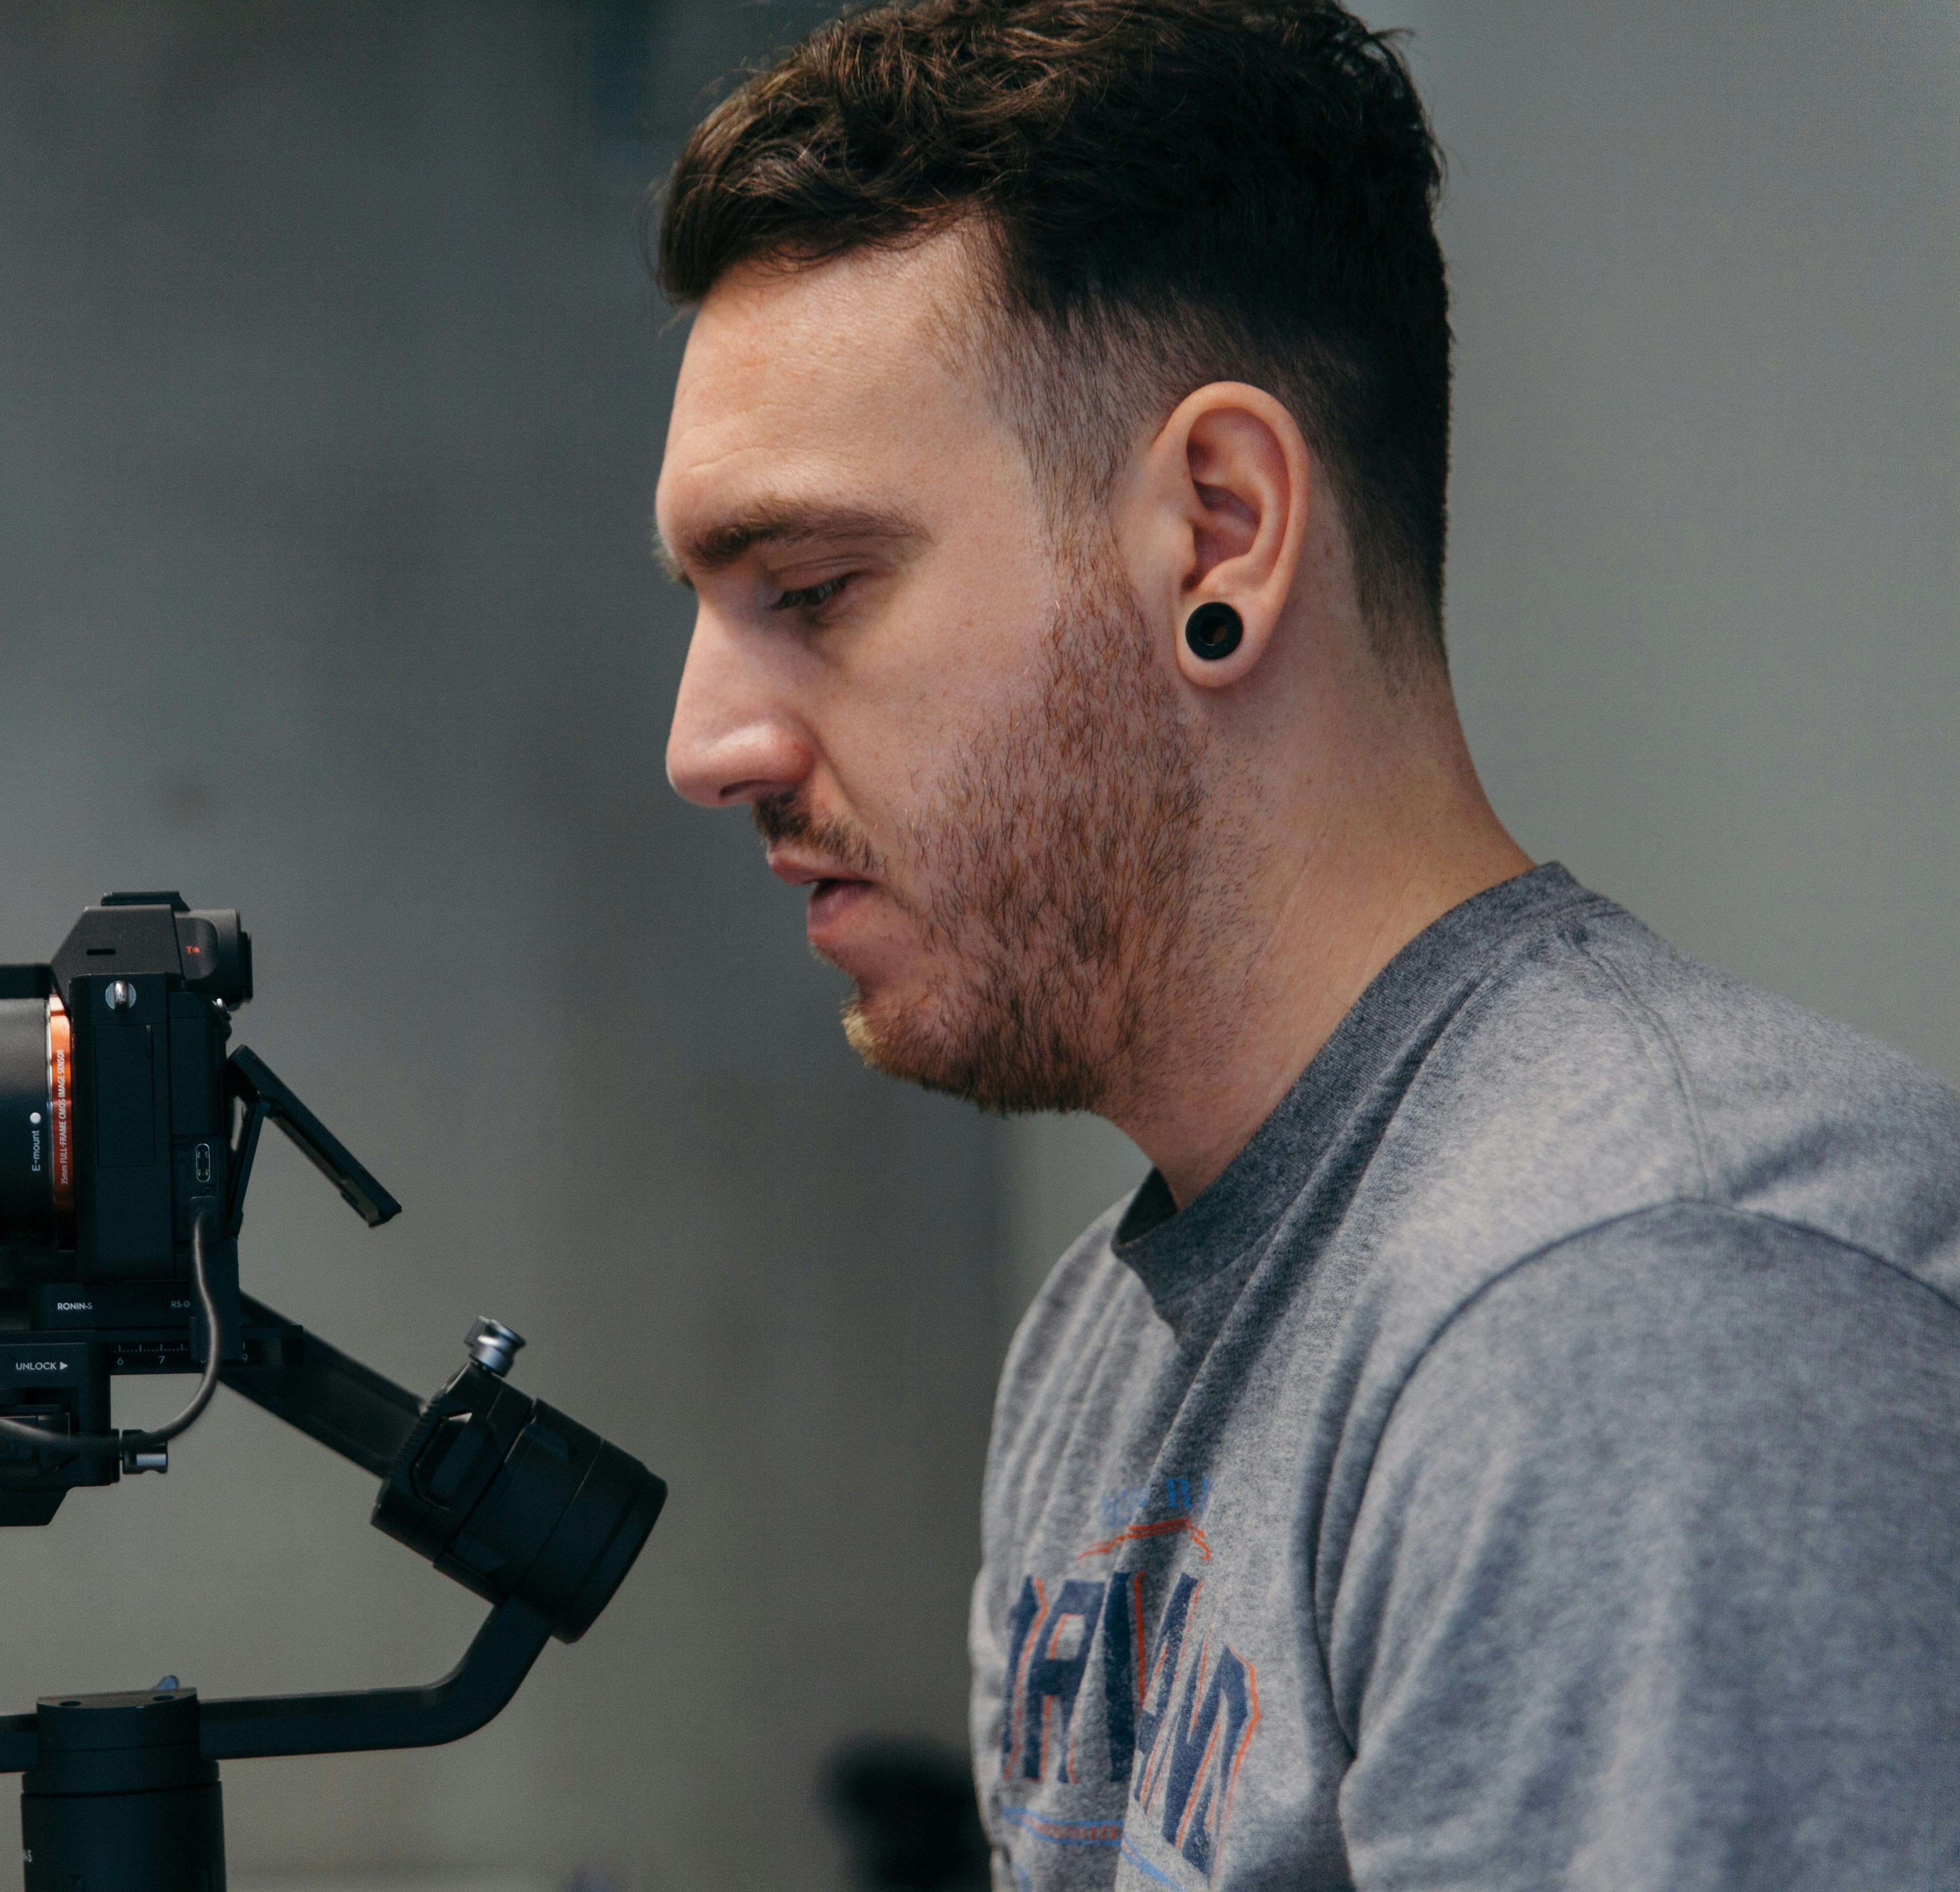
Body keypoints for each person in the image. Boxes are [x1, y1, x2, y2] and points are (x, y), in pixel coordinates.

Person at [646, 3, 1960, 1887]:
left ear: (1219, 533)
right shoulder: (1105, 1336)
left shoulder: (1636, 1314)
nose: (708, 747)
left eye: (814, 591)